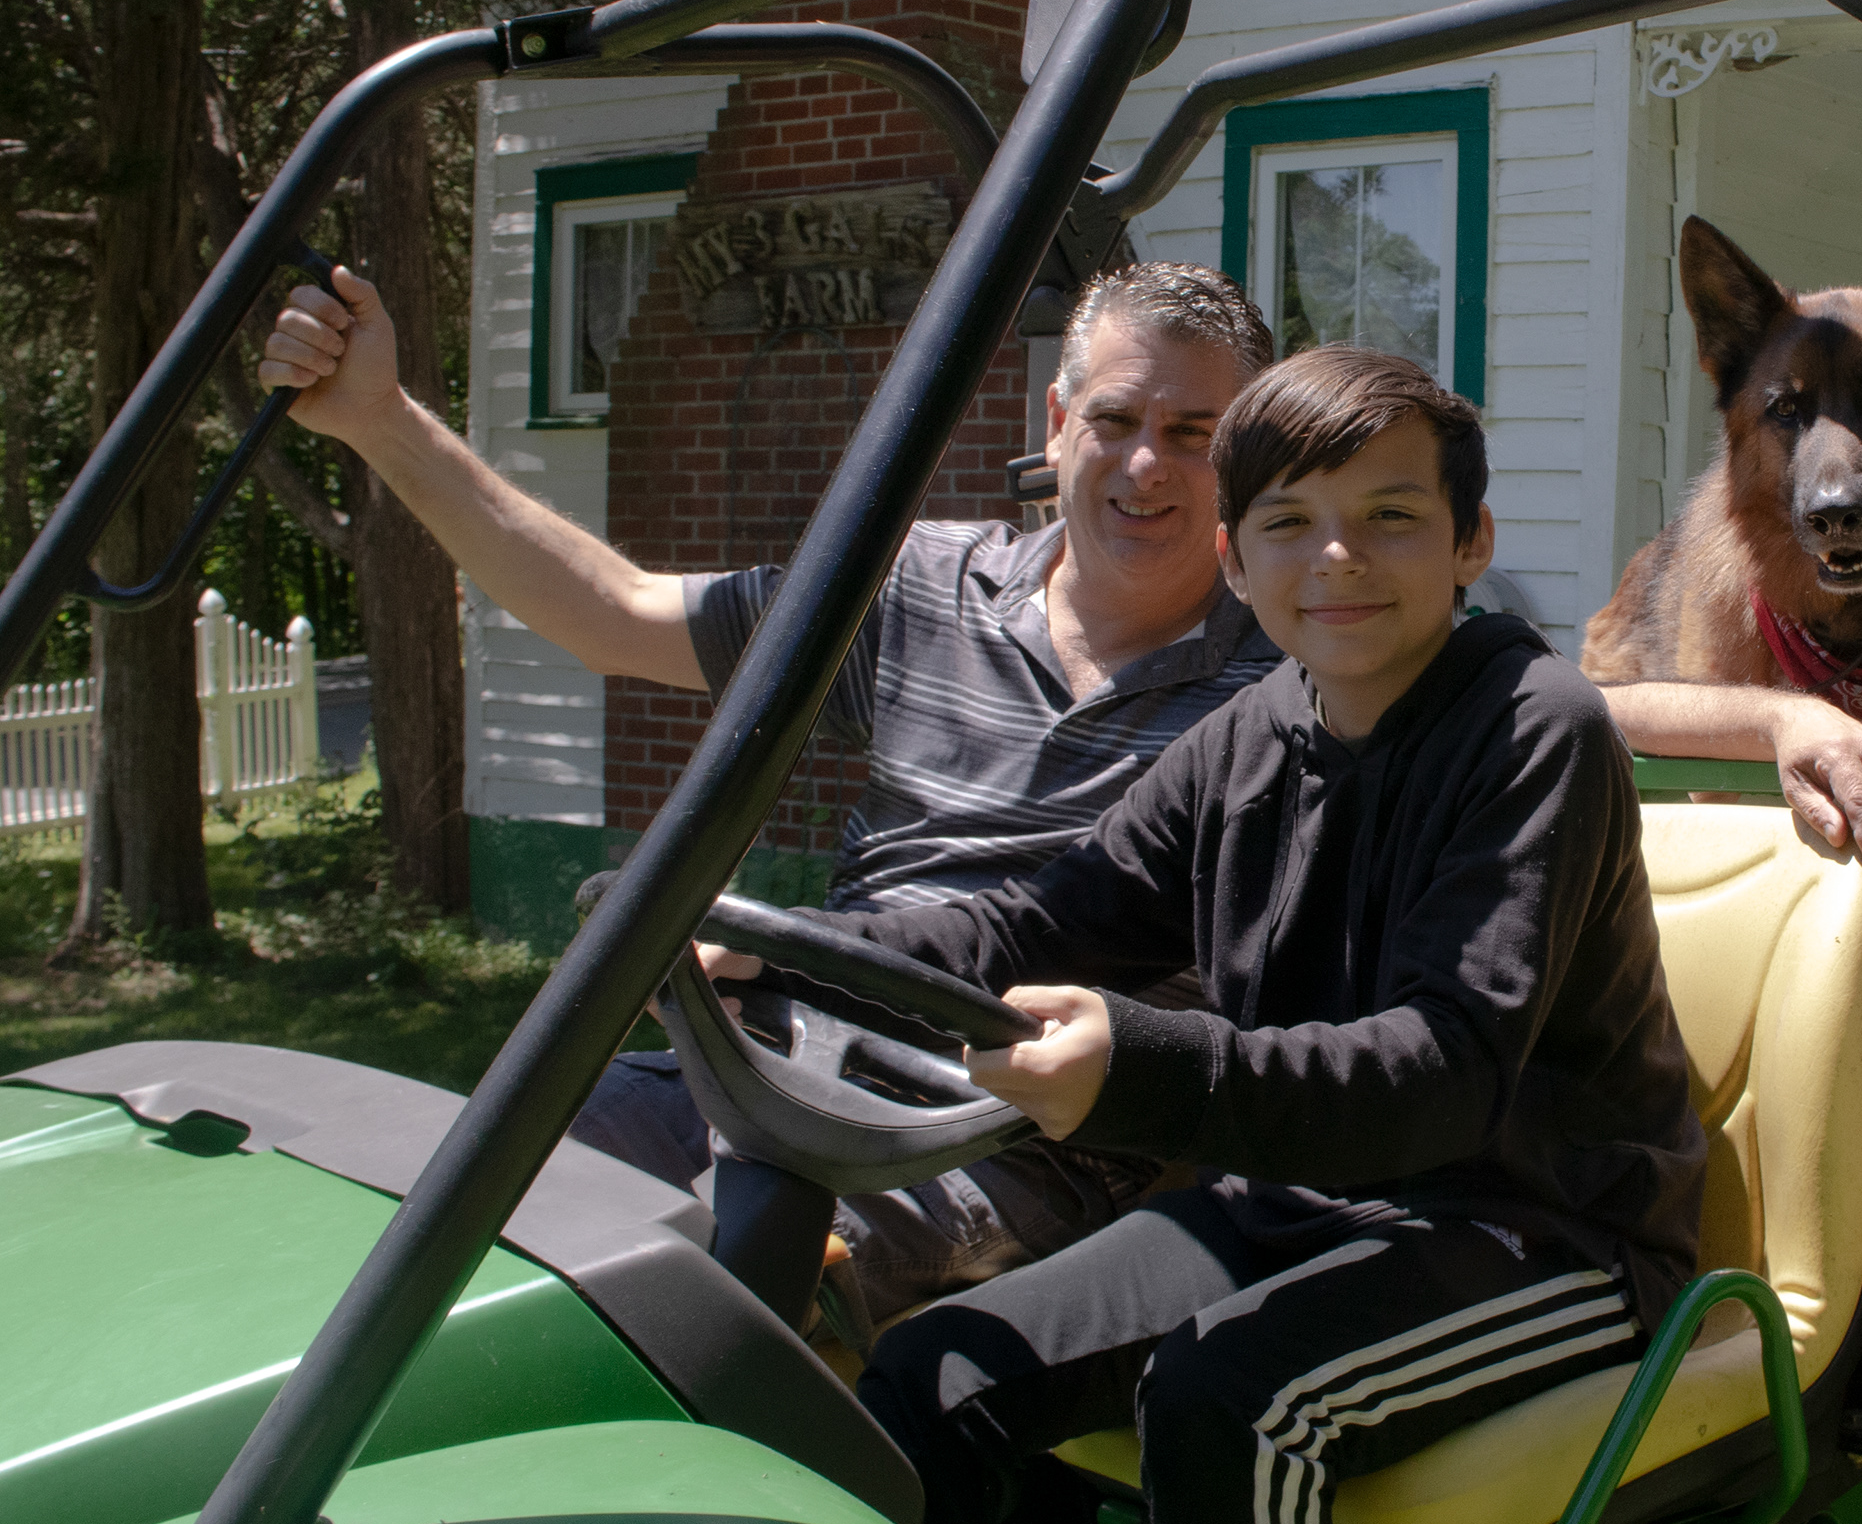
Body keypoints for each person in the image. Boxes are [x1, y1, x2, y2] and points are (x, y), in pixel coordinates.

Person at [833, 345, 1702, 1524]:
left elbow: (1445, 1074)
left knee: (1231, 1406)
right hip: (1307, 1203)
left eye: (1390, 518)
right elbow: (1050, 911)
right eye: (1291, 524)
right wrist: (811, 951)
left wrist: (1141, 1069)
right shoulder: (1248, 738)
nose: (1340, 562)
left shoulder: (1533, 730)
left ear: (1473, 543)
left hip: (1543, 1229)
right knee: (932, 1382)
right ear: (1235, 559)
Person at [258, 256, 1282, 1326]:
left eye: (1193, 434)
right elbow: (616, 610)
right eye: (1116, 418)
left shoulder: (1289, 674)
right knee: (466, 1192)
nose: (1145, 465)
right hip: (784, 1056)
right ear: (1059, 420)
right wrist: (380, 419)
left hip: (1020, 1127)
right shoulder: (923, 589)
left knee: (701, 1292)